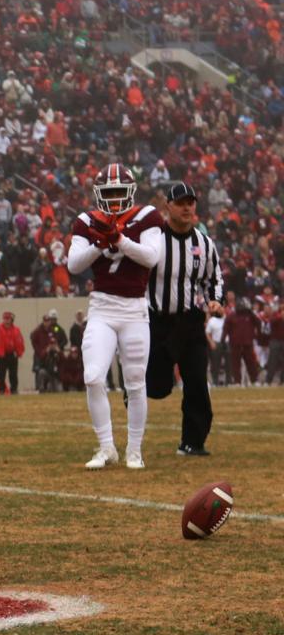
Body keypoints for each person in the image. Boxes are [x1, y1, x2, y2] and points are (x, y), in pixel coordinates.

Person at [68, 164, 164, 469]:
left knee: (135, 382)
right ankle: (106, 447)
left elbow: (151, 257)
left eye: (118, 193)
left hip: (135, 309)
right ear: (98, 194)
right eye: (107, 193)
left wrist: (118, 239)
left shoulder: (147, 216)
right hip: (103, 307)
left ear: (130, 193)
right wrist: (100, 241)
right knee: (93, 376)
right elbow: (73, 264)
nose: (112, 200)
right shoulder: (87, 221)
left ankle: (134, 450)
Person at [145, 183, 225, 456]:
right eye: (181, 203)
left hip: (190, 321)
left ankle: (193, 442)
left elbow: (214, 279)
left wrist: (216, 300)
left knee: (196, 381)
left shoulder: (204, 243)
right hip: (158, 321)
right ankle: (138, 383)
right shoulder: (153, 239)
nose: (188, 207)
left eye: (191, 202)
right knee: (157, 387)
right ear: (168, 206)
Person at [222, 298, 259, 385]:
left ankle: (254, 381)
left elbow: (259, 323)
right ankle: (237, 382)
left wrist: (252, 313)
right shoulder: (231, 316)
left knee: (251, 363)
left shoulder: (250, 315)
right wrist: (222, 340)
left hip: (248, 343)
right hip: (235, 344)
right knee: (235, 364)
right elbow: (225, 329)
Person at [30, 311, 67, 393]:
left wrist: (58, 349)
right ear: (43, 321)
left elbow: (64, 360)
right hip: (41, 355)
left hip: (55, 373)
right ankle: (40, 388)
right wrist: (42, 350)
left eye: (48, 321)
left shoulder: (54, 330)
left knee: (57, 389)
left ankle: (51, 387)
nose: (47, 323)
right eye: (45, 321)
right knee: (40, 372)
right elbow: (32, 337)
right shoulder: (38, 330)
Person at [0, 312, 24, 394]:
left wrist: (19, 352)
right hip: (2, 355)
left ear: (11, 320)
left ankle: (14, 389)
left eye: (8, 319)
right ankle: (1, 390)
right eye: (5, 319)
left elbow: (20, 342)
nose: (6, 321)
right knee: (1, 374)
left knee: (13, 374)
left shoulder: (16, 330)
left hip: (12, 354)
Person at [206, 305, 227, 386]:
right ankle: (215, 382)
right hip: (216, 343)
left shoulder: (227, 318)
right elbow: (207, 333)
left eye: (222, 309)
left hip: (226, 342)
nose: (221, 310)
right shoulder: (212, 320)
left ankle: (229, 382)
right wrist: (211, 342)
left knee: (228, 363)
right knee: (215, 364)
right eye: (219, 309)